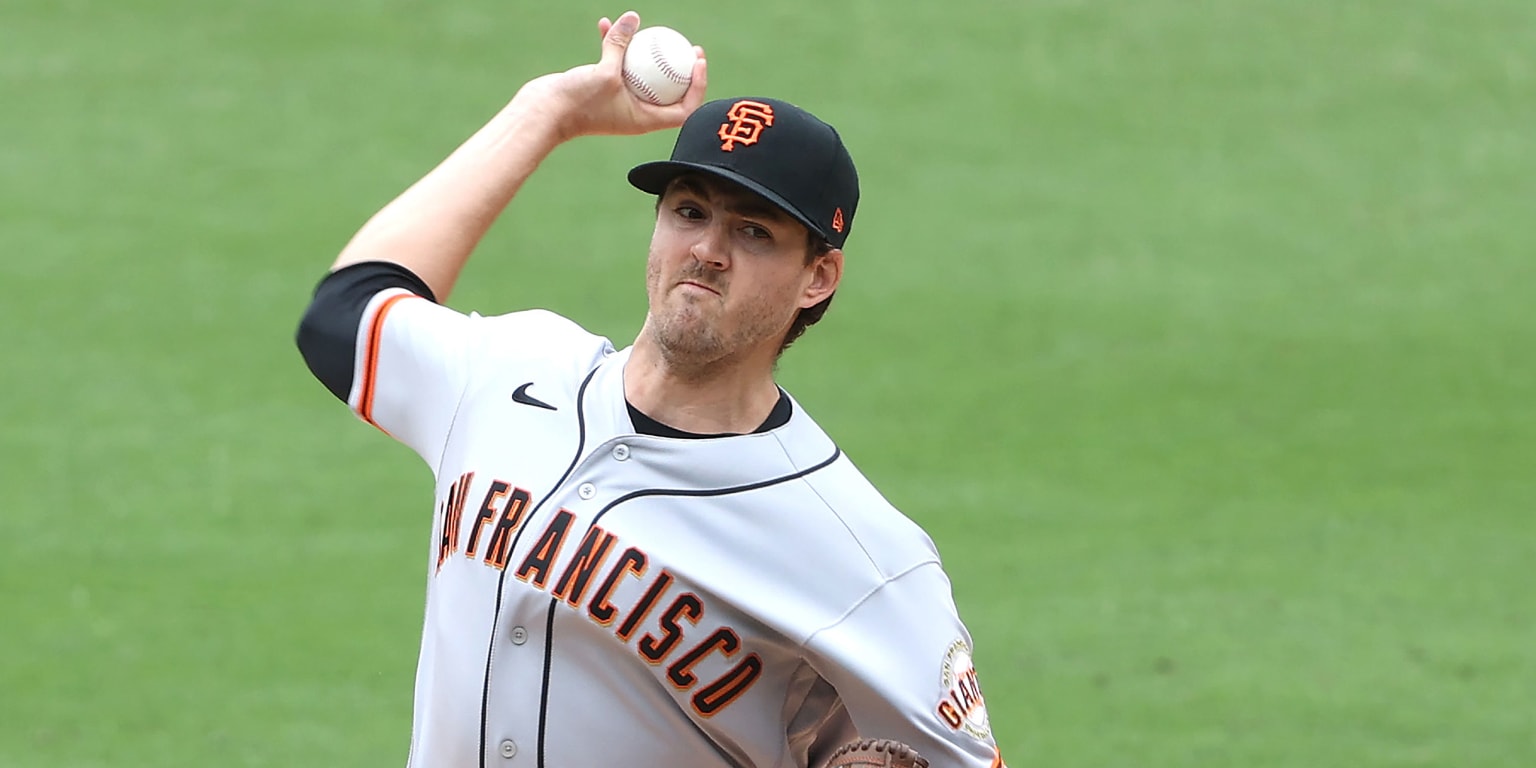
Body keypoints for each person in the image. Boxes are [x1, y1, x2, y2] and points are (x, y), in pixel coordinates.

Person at [295, 11, 1006, 768]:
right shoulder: (507, 371)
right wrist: (549, 114)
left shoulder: (864, 556)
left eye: (754, 231)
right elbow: (344, 314)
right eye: (689, 212)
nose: (706, 249)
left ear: (817, 278)